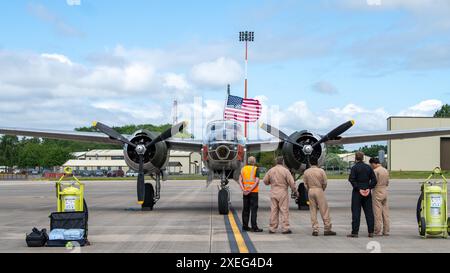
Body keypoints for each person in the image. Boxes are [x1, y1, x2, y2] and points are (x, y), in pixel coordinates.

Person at [263, 157, 299, 234]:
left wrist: (271, 182)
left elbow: (265, 181)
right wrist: (295, 191)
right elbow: (291, 183)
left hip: (273, 191)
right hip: (283, 191)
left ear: (276, 162)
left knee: (274, 210)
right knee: (284, 210)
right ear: (283, 162)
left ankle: (272, 228)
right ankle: (285, 228)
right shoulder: (285, 171)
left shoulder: (271, 170)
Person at [303, 158, 337, 237]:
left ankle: (315, 229)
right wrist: (322, 189)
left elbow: (305, 184)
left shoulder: (306, 171)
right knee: (324, 209)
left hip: (311, 190)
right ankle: (327, 228)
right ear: (317, 163)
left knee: (313, 210)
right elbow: (325, 182)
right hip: (319, 189)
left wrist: (309, 189)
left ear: (310, 163)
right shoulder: (321, 171)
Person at [348, 151, 377, 238]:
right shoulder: (368, 168)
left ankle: (355, 232)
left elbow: (351, 179)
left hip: (357, 192)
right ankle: (371, 232)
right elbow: (374, 180)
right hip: (367, 191)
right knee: (369, 212)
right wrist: (369, 188)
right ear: (363, 157)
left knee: (356, 212)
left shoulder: (354, 168)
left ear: (355, 158)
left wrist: (358, 188)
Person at [239, 156, 263, 232]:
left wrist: (243, 189)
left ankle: (245, 226)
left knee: (245, 209)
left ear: (248, 161)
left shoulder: (243, 169)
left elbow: (240, 180)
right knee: (253, 210)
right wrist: (250, 190)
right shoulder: (255, 169)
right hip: (253, 192)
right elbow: (257, 181)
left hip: (245, 192)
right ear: (254, 162)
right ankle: (254, 227)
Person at [369, 157, 390, 236]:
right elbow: (387, 182)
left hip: (377, 191)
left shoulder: (375, 171)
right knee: (385, 212)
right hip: (385, 190)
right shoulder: (385, 170)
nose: (371, 166)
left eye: (371, 165)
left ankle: (377, 230)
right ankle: (386, 230)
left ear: (373, 163)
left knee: (377, 212)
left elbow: (373, 182)